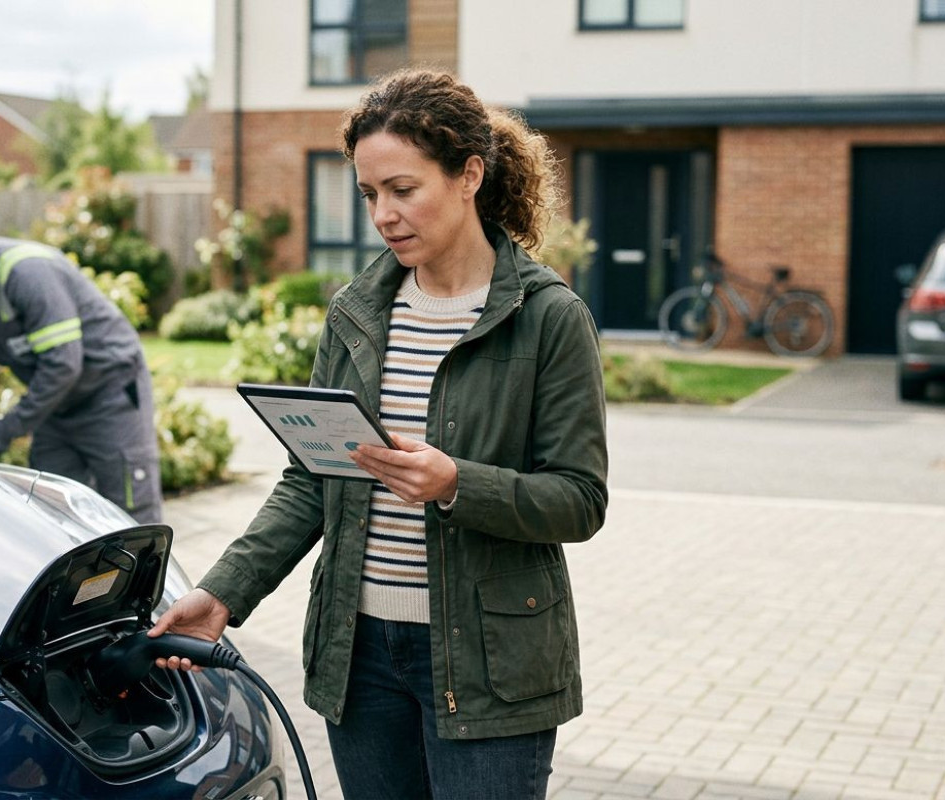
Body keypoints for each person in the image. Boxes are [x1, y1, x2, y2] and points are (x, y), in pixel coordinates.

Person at [149, 69, 608, 798]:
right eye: (369, 195)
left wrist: (459, 485)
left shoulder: (548, 318)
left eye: (403, 189)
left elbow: (580, 499)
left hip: (488, 661)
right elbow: (312, 479)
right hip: (359, 653)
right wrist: (225, 593)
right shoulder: (357, 312)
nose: (383, 214)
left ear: (469, 175)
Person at [0, 201, 162, 524]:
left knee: (131, 514)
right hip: (56, 405)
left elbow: (63, 364)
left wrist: (9, 427)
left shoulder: (25, 273)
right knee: (53, 512)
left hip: (110, 397)